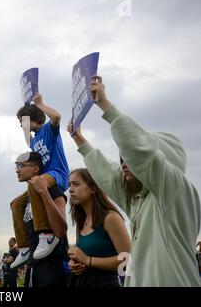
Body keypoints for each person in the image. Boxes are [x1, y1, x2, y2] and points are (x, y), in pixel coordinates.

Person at [68, 75, 201, 287]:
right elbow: (109, 174)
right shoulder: (138, 201)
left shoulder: (176, 191)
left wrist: (105, 106)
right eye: (122, 158)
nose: (124, 163)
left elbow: (143, 155)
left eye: (130, 158)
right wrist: (80, 141)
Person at [12, 93, 70, 263]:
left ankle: (46, 234)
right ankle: (24, 247)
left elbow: (57, 117)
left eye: (22, 120)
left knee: (35, 182)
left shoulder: (48, 130)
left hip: (57, 174)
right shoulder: (35, 140)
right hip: (44, 177)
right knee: (16, 204)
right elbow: (26, 138)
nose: (20, 124)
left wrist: (40, 104)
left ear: (32, 118)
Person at [66, 168, 131, 287]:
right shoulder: (81, 220)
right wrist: (74, 263)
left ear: (92, 188)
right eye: (69, 185)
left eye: (76, 184)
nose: (70, 189)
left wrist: (88, 260)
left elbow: (127, 259)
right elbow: (84, 255)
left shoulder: (110, 217)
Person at [12, 152, 68, 287]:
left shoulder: (53, 190)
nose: (17, 170)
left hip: (53, 265)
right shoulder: (24, 201)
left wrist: (44, 193)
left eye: (21, 166)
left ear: (35, 169)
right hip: (34, 264)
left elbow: (61, 231)